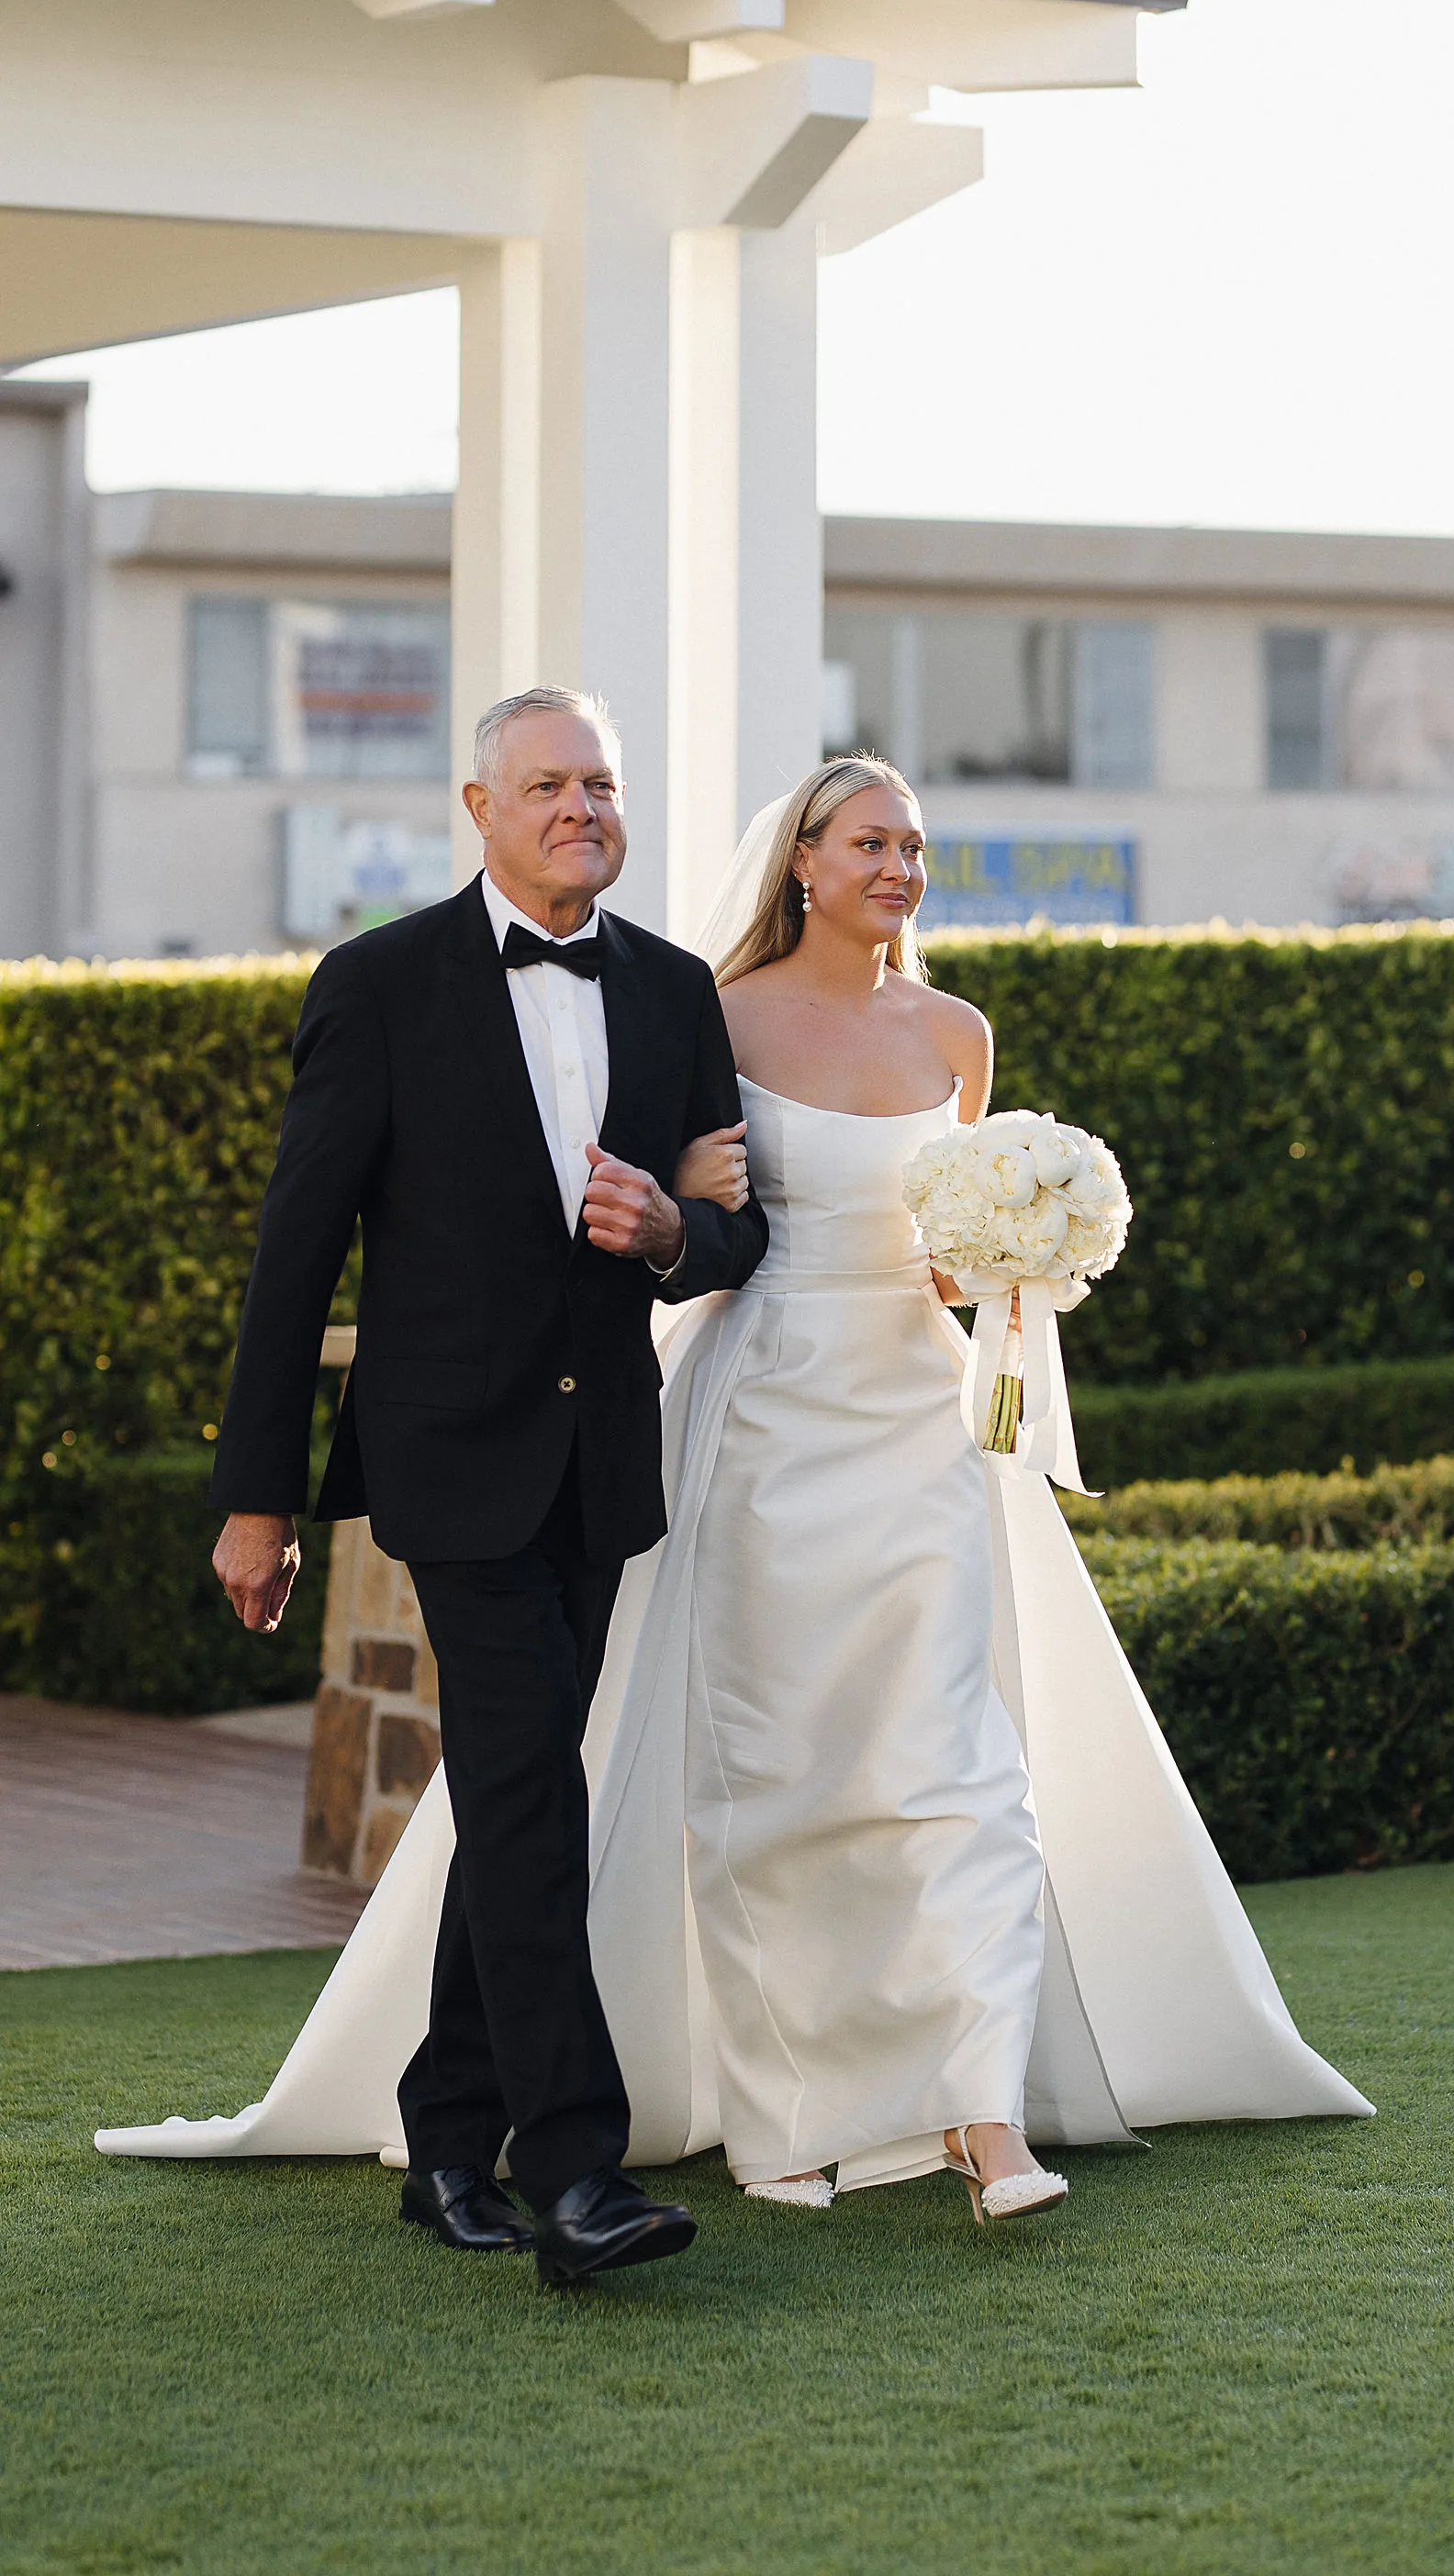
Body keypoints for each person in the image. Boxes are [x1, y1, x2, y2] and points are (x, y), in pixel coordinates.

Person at [98, 754, 1370, 2223]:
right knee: (679, 1778)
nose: (898, 867)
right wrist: (260, 1495)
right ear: (803, 861)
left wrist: (996, 1263)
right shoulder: (662, 1003)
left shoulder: (893, 1023)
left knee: (952, 1770)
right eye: (871, 841)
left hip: (910, 1428)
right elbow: (381, 1237)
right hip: (735, 1420)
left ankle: (978, 2111)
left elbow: (803, 1241)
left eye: (915, 846)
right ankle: (701, 2126)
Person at [198, 685, 767, 2287]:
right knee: (532, 1793)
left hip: (601, 1462)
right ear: (480, 809)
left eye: (602, 785)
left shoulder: (673, 991)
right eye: (548, 786)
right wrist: (258, 1500)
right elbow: (296, 1254)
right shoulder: (378, 985)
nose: (582, 808)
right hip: (449, 1462)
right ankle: (575, 2174)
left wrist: (674, 1234)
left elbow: (740, 1230)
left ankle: (448, 2133)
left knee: (516, 1793)